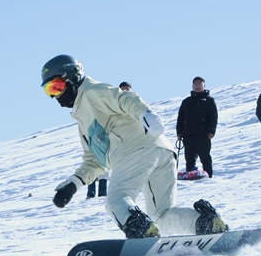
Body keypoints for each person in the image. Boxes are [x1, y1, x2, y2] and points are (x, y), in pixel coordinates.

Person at [41, 54, 228, 238]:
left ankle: (140, 230)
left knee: (115, 201)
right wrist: (73, 184)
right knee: (161, 214)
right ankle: (205, 223)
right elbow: (94, 162)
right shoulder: (82, 118)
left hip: (134, 151)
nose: (55, 96)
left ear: (73, 77)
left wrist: (145, 114)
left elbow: (123, 98)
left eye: (57, 86)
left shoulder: (91, 92)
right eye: (49, 91)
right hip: (162, 151)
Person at [85, 82, 132, 198]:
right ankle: (91, 194)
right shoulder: (112, 102)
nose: (126, 92)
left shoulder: (133, 104)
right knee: (96, 163)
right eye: (123, 90)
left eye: (128, 90)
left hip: (126, 140)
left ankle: (103, 193)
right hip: (104, 137)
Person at [176, 76, 218, 178]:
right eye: (195, 84)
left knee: (205, 158)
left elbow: (213, 117)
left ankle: (209, 177)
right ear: (192, 86)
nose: (197, 86)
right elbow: (181, 118)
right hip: (188, 135)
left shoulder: (209, 101)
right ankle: (190, 178)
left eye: (200, 84)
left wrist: (212, 131)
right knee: (189, 159)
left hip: (203, 135)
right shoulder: (187, 102)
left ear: (204, 85)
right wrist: (179, 132)